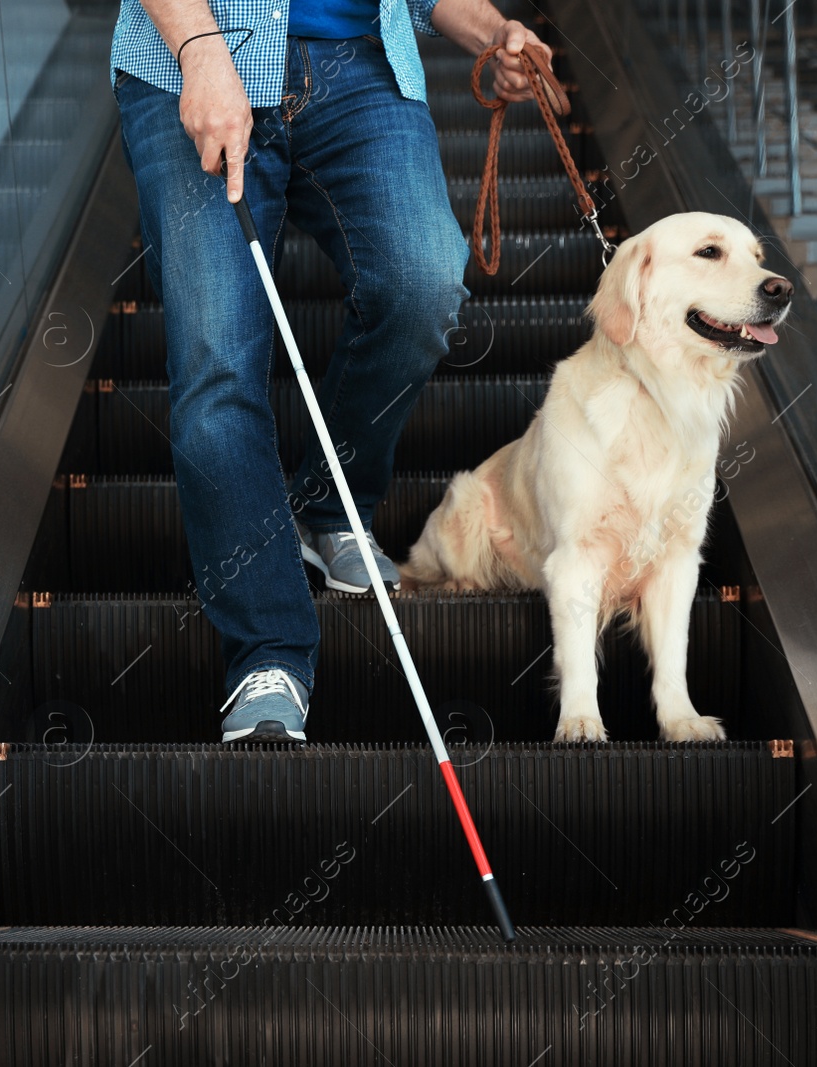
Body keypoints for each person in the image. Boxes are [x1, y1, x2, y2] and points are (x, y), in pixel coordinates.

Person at [110, 0, 551, 742]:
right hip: (195, 53)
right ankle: (269, 649)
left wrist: (493, 34)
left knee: (423, 285)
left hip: (361, 66)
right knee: (216, 361)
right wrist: (199, 51)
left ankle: (327, 501)